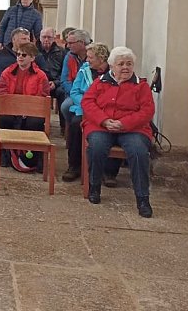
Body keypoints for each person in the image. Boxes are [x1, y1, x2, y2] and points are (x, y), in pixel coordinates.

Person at [81, 47, 155, 218]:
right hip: (102, 125)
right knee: (97, 146)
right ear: (112, 66)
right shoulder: (100, 82)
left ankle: (143, 198)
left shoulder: (141, 85)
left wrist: (123, 123)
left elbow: (147, 111)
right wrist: (104, 120)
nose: (125, 67)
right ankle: (94, 187)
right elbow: (88, 103)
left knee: (138, 152)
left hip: (133, 129)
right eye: (121, 64)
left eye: (129, 64)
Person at [61, 42, 120, 184]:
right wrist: (88, 105)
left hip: (108, 112)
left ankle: (109, 172)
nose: (87, 60)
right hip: (85, 109)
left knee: (114, 128)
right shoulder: (84, 69)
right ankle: (74, 166)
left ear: (101, 59)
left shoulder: (114, 74)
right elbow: (74, 92)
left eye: (90, 57)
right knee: (76, 125)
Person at [0, 43, 50, 170]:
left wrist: (27, 108)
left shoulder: (40, 75)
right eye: (18, 54)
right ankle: (5, 152)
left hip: (32, 111)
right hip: (11, 108)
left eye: (24, 55)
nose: (20, 57)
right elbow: (2, 93)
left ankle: (33, 155)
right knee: (3, 119)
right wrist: (14, 108)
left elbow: (42, 95)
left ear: (32, 58)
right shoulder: (7, 72)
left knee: (35, 122)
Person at [0, 27, 33, 119]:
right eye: (24, 39)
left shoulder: (34, 55)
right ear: (14, 40)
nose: (27, 42)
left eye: (28, 39)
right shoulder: (1, 54)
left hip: (29, 90)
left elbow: (43, 72)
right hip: (5, 89)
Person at [36, 27, 67, 130]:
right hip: (37, 83)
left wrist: (55, 83)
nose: (46, 40)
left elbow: (64, 73)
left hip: (55, 84)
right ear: (39, 38)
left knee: (62, 92)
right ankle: (37, 125)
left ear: (54, 38)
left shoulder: (62, 52)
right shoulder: (34, 51)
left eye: (49, 37)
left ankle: (64, 127)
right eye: (44, 37)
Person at [59, 29, 92, 124]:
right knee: (65, 106)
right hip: (74, 92)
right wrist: (75, 94)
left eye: (70, 43)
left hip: (92, 93)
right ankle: (72, 128)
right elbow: (65, 80)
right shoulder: (69, 56)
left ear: (81, 42)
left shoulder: (95, 56)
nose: (67, 46)